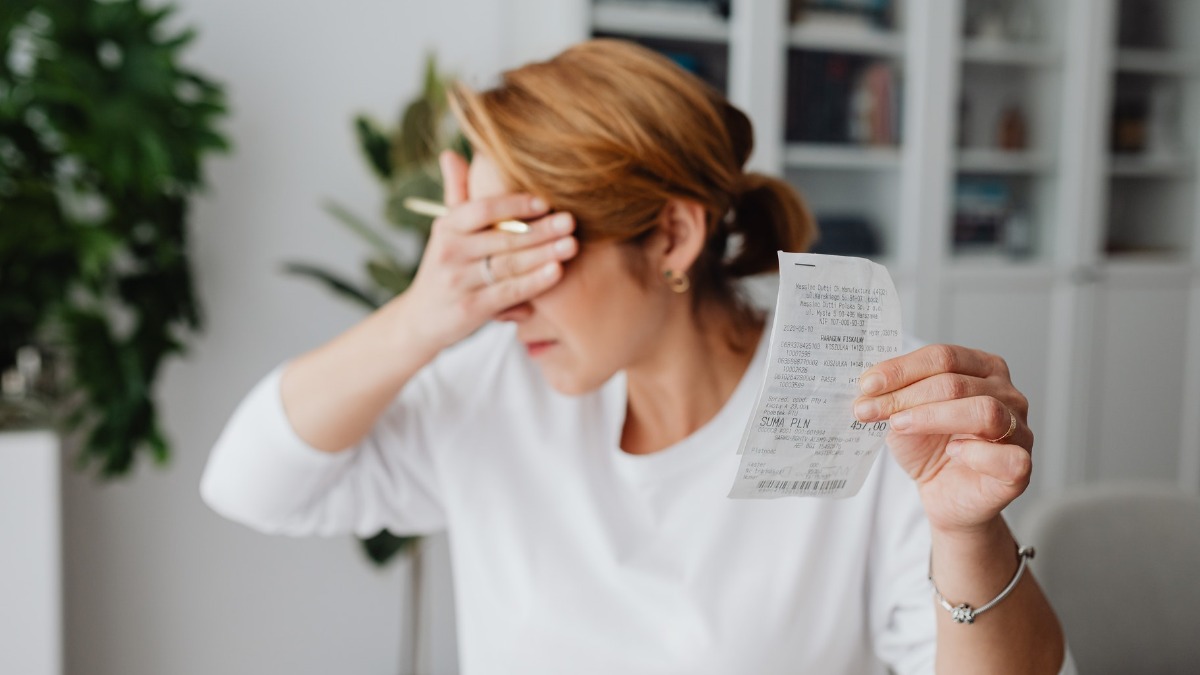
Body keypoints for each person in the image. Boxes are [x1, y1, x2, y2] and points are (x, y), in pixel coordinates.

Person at [202, 39, 1072, 674]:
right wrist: (422, 317)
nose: (503, 299)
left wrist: (968, 531)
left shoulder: (866, 410)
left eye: (525, 247)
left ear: (670, 233)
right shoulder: (496, 389)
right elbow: (249, 484)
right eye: (483, 258)